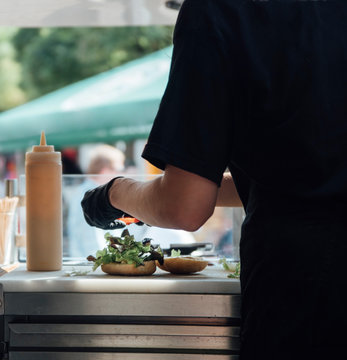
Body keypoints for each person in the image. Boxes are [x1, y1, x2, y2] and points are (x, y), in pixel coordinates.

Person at [81, 0, 347, 358]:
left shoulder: (220, 10)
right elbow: (308, 175)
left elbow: (182, 207)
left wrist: (114, 193)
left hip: (303, 300)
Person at [67, 144, 193, 258]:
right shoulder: (90, 197)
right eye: (120, 169)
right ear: (105, 171)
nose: (124, 174)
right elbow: (91, 242)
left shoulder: (92, 195)